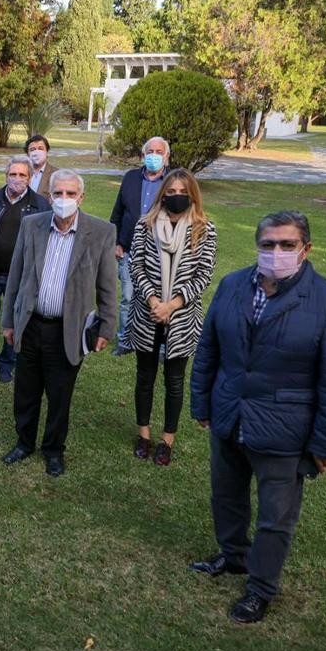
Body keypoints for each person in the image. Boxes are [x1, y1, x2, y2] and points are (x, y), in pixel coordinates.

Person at [189, 211, 326, 624]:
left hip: (285, 431)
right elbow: (209, 349)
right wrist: (202, 403)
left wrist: (325, 444)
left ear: (306, 249)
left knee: (276, 517)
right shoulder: (232, 285)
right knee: (225, 496)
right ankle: (233, 557)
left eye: (287, 245)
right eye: (268, 244)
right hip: (230, 416)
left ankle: (261, 587)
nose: (276, 253)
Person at [0, 170, 117, 477]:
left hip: (68, 330)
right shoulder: (32, 225)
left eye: (70, 194)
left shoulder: (101, 232)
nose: (64, 200)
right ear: (49, 196)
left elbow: (107, 286)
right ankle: (24, 442)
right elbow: (16, 275)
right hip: (31, 323)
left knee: (59, 395)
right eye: (58, 194)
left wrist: (106, 327)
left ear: (81, 197)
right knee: (25, 391)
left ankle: (53, 450)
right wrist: (9, 321)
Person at [126, 169, 217, 466]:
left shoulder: (205, 229)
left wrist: (173, 304)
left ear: (192, 194)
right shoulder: (145, 225)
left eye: (182, 191)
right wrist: (154, 301)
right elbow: (135, 265)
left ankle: (167, 440)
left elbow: (203, 275)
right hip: (147, 311)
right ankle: (143, 434)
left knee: (175, 381)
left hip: (182, 317)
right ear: (163, 193)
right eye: (171, 191)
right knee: (145, 377)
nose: (176, 196)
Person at [0, 156, 51, 383]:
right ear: (6, 175)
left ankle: (7, 363)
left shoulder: (40, 205)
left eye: (22, 175)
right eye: (13, 174)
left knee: (15, 323)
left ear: (30, 177)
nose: (17, 179)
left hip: (20, 278)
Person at [110, 136, 170, 356]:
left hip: (161, 251)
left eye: (158, 151)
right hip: (129, 249)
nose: (153, 156)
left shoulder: (172, 181)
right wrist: (117, 241)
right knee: (128, 297)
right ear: (143, 156)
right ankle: (125, 340)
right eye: (149, 152)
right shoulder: (131, 177)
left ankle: (162, 345)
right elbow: (118, 211)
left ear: (166, 156)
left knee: (161, 299)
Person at [24, 134, 58, 201]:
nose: (37, 152)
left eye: (40, 148)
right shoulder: (21, 173)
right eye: (32, 149)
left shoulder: (57, 174)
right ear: (27, 154)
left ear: (47, 152)